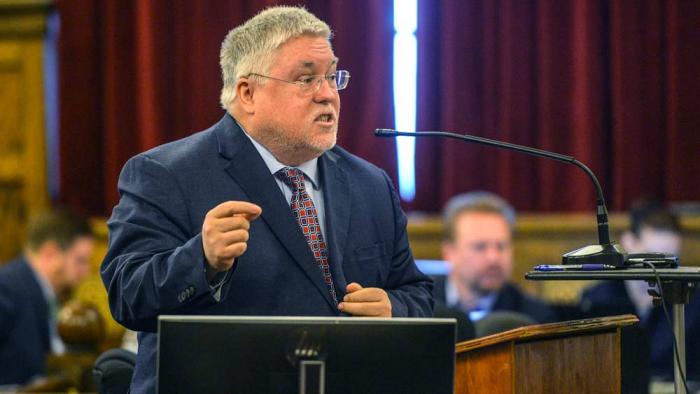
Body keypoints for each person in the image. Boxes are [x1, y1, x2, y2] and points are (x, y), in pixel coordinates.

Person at [100, 6, 433, 393]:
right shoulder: (165, 174)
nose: (328, 94)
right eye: (306, 79)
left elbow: (416, 291)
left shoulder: (370, 183)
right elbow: (127, 297)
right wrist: (201, 260)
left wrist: (395, 309)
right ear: (248, 92)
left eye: (331, 77)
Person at [580, 201, 700, 384]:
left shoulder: (693, 301)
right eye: (653, 258)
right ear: (629, 242)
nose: (662, 270)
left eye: (671, 260)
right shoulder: (596, 299)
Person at [0, 209, 94, 386]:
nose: (86, 272)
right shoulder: (6, 289)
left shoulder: (46, 293)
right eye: (80, 260)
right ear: (50, 253)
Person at [434, 191, 555, 327]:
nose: (493, 258)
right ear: (449, 252)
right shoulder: (419, 306)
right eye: (480, 247)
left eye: (501, 246)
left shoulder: (532, 317)